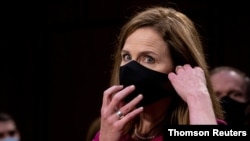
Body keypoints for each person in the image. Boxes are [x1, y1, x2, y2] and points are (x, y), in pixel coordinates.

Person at [93, 6, 225, 141]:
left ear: (180, 69)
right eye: (127, 56)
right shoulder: (110, 135)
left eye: (148, 59)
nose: (131, 68)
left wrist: (198, 97)